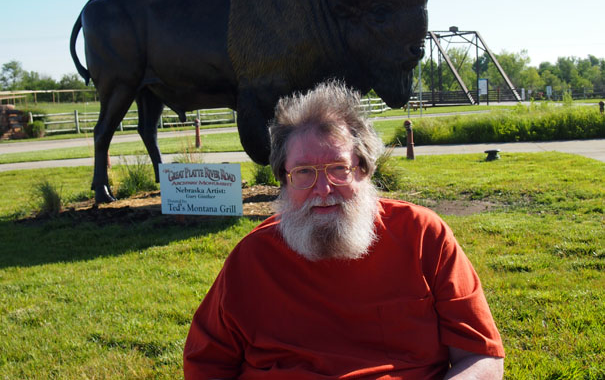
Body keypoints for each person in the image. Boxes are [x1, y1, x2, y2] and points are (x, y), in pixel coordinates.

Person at [184, 81, 505, 379]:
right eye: (304, 172)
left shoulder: (423, 236)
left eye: (339, 169)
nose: (322, 188)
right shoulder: (252, 258)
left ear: (364, 170)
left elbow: (481, 356)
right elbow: (206, 364)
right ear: (284, 179)